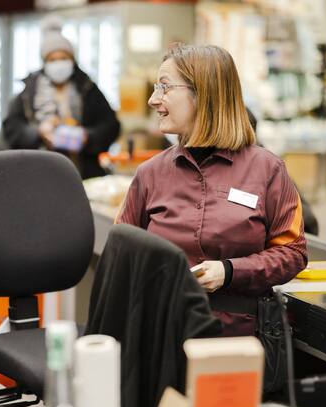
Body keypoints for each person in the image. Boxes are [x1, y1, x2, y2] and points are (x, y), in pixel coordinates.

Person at [117, 44, 307, 336]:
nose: (154, 100)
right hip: (162, 334)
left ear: (204, 93)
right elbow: (121, 255)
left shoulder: (268, 170)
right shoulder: (150, 174)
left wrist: (230, 271)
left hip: (236, 338)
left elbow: (292, 252)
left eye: (165, 87)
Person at [2, 17, 120, 179]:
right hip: (37, 173)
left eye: (64, 58)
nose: (59, 64)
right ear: (44, 62)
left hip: (82, 171)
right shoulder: (29, 91)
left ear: (72, 60)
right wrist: (38, 132)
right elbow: (12, 128)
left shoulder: (87, 87)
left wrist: (87, 136)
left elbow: (111, 125)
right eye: (52, 60)